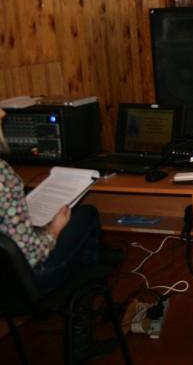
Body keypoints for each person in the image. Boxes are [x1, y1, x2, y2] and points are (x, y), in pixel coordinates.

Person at [0, 107, 120, 360]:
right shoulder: (3, 176)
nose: (2, 113)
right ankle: (83, 332)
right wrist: (54, 228)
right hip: (26, 282)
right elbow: (32, 255)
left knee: (88, 241)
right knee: (86, 216)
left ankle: (103, 262)